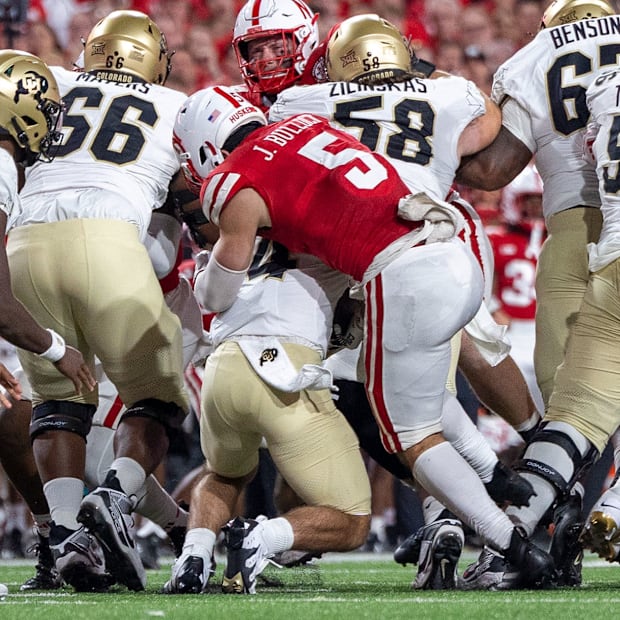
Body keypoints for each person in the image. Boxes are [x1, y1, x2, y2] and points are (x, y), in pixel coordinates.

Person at [171, 84, 557, 590]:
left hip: (396, 275)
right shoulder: (312, 126)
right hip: (451, 249)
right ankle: (492, 470)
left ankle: (510, 544)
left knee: (411, 435)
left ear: (204, 145)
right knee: (407, 389)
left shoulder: (233, 179)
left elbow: (217, 295)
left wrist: (202, 272)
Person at [269, 12, 542, 589]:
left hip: (370, 254)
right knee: (437, 366)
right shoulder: (448, 91)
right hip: (450, 238)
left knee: (377, 401)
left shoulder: (301, 101)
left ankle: (488, 519)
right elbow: (485, 132)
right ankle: (529, 459)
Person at [7, 10, 189, 592]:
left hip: (26, 242)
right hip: (109, 237)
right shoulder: (180, 106)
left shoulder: (54, 81)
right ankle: (112, 500)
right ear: (154, 58)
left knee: (57, 402)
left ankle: (61, 545)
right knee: (156, 399)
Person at [454, 0, 619, 588]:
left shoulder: (536, 56)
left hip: (576, 226)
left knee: (568, 402)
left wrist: (425, 144)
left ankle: (543, 538)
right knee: (583, 400)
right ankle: (579, 524)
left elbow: (493, 171)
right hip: (605, 223)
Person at [560, 65, 620, 563]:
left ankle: (515, 533)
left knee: (574, 414)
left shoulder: (603, 85)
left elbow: (587, 148)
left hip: (612, 260)